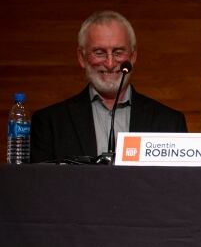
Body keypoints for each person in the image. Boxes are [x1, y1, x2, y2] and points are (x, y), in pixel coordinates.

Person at [30, 10, 187, 162]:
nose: (110, 63)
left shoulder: (170, 123)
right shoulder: (49, 123)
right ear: (81, 58)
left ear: (133, 57)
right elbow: (42, 186)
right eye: (99, 52)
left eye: (118, 52)